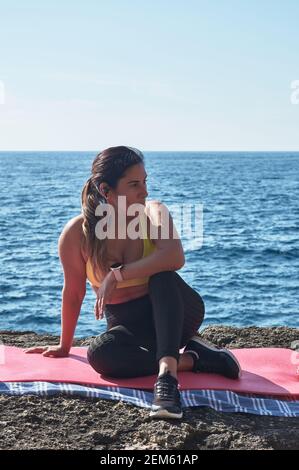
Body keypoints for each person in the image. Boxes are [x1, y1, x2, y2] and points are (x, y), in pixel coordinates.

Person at [25, 146, 241, 420]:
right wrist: (64, 346)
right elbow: (74, 291)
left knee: (162, 277)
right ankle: (197, 359)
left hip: (175, 313)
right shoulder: (77, 235)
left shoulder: (154, 213)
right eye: (135, 184)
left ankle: (167, 380)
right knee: (100, 356)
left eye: (145, 182)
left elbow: (175, 257)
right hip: (130, 328)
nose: (145, 191)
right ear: (107, 191)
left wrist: (118, 274)